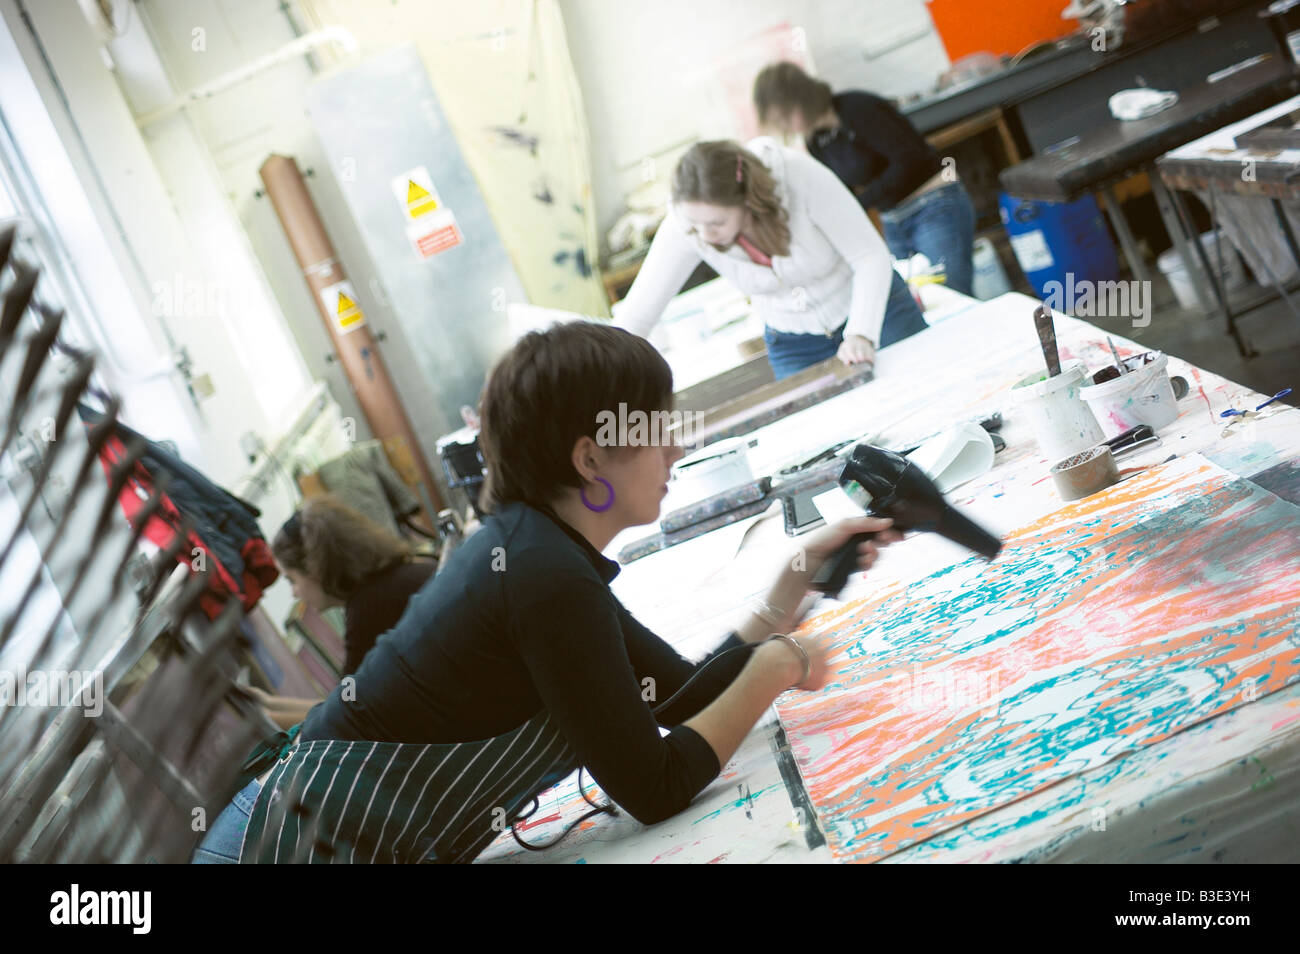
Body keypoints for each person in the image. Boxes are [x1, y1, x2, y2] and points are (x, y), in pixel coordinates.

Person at [192, 321, 900, 864]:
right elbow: (654, 786)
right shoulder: (539, 573)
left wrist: (793, 583)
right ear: (591, 458)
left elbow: (679, 695)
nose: (677, 450)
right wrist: (778, 666)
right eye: (658, 430)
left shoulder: (535, 550)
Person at [612, 138, 928, 380]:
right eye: (696, 226)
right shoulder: (689, 222)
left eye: (717, 223)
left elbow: (869, 255)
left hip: (876, 312)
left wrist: (860, 333)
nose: (705, 235)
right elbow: (637, 317)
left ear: (746, 200)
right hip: (793, 340)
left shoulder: (796, 176)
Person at [753, 61, 977, 298]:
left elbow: (909, 159)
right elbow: (843, 190)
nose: (785, 126)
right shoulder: (817, 142)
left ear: (802, 98)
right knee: (917, 299)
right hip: (893, 219)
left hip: (934, 204)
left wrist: (860, 202)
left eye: (784, 116)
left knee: (950, 296)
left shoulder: (856, 108)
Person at [249, 496, 436, 729]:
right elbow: (346, 700)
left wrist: (261, 720)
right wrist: (269, 704)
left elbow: (347, 714)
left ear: (315, 569)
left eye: (292, 580)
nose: (294, 594)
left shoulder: (370, 609)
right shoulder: (402, 574)